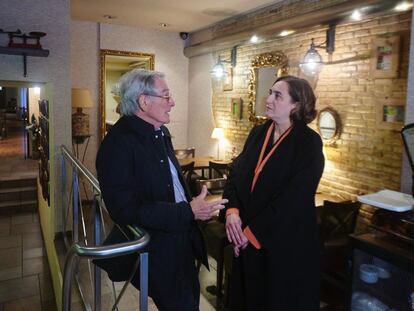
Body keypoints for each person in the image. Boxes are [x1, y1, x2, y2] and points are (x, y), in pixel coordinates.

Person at [95, 69, 228, 311]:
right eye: (166, 96)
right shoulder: (117, 144)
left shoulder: (160, 131)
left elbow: (170, 181)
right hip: (159, 250)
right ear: (144, 101)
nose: (173, 102)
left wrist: (195, 206)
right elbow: (125, 210)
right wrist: (188, 212)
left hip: (182, 240)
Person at [222, 75, 325, 310]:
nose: (267, 99)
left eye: (277, 95)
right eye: (270, 93)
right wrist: (232, 211)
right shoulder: (258, 133)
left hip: (283, 247)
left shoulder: (308, 143)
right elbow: (235, 175)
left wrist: (250, 234)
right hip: (245, 240)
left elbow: (295, 199)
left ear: (296, 105)